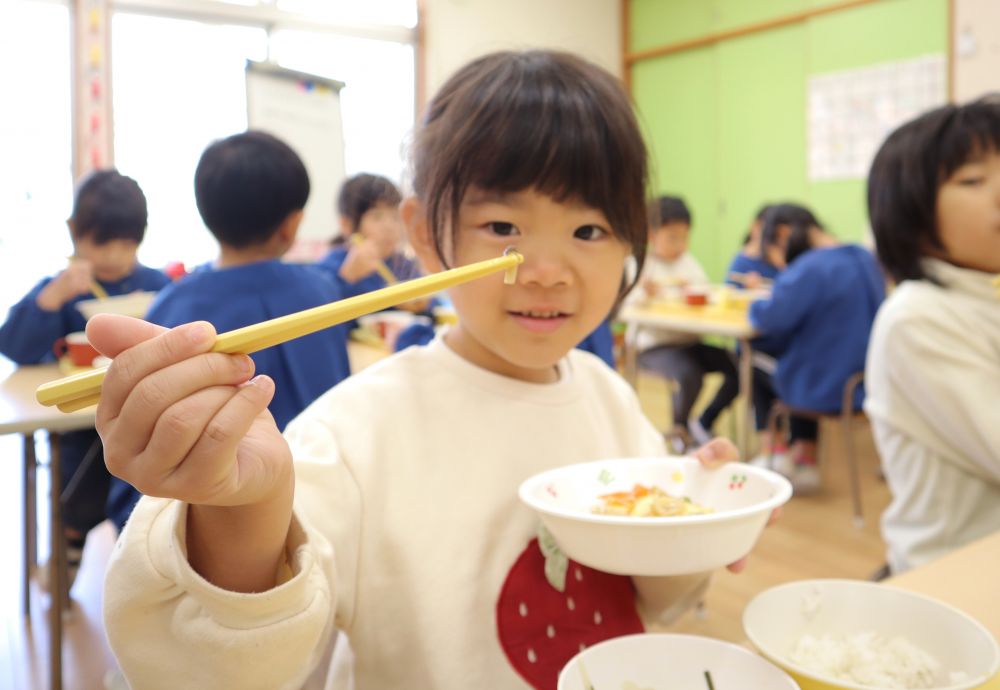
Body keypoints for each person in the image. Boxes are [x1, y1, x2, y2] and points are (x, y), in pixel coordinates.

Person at [92, 51, 763, 690]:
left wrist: (694, 527)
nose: (548, 270)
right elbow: (220, 664)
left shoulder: (611, 402)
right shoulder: (358, 430)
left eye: (588, 232)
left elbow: (653, 600)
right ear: (424, 232)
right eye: (503, 226)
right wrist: (242, 512)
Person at [105, 130, 354, 531]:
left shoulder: (174, 305)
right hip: (327, 501)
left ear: (208, 216)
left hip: (199, 511)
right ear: (291, 225)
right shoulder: (322, 292)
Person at [0, 169, 169, 590]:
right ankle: (66, 560)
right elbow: (14, 346)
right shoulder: (63, 288)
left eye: (126, 243)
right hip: (80, 425)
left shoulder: (157, 285)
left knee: (145, 502)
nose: (114, 255)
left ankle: (138, 572)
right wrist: (52, 297)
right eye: (101, 242)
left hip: (143, 418)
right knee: (76, 492)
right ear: (75, 234)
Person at [865, 95, 1000, 574]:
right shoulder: (918, 318)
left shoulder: (984, 296)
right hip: (953, 574)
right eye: (973, 180)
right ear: (916, 220)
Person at [749, 203, 885, 493]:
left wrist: (755, 302)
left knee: (750, 354)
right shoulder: (864, 257)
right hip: (867, 383)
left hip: (824, 387)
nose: (781, 267)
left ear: (783, 235)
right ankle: (805, 454)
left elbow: (770, 317)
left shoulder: (809, 268)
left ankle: (776, 451)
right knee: (798, 354)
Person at [623, 195, 739, 450]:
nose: (680, 245)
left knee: (737, 365)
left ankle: (703, 421)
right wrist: (644, 294)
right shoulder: (640, 265)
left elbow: (705, 293)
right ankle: (680, 431)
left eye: (684, 237)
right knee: (688, 374)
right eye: (672, 238)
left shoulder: (688, 263)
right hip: (653, 347)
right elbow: (624, 307)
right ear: (651, 236)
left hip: (690, 341)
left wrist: (694, 292)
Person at [317, 172, 437, 323]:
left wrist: (423, 304)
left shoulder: (403, 265)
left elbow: (431, 305)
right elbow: (320, 312)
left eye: (395, 217)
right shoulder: (333, 265)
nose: (389, 227)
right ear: (347, 225)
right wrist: (347, 278)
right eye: (377, 217)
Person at [725, 204, 782, 289]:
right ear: (754, 226)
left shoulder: (780, 261)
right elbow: (729, 293)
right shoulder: (742, 261)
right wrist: (749, 290)